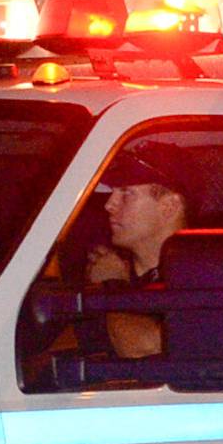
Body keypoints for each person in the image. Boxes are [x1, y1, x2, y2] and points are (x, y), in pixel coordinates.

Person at [85, 144, 193, 360]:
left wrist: (112, 287)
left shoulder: (205, 275)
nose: (109, 205)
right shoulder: (107, 268)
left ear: (169, 207)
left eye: (126, 193)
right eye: (113, 192)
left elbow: (147, 346)